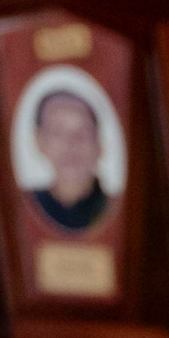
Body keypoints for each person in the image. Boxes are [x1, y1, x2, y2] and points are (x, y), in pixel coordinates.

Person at [27, 81, 109, 234]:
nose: (71, 144)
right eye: (58, 132)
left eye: (83, 131)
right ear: (39, 142)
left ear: (99, 146)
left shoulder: (117, 210)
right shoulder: (25, 208)